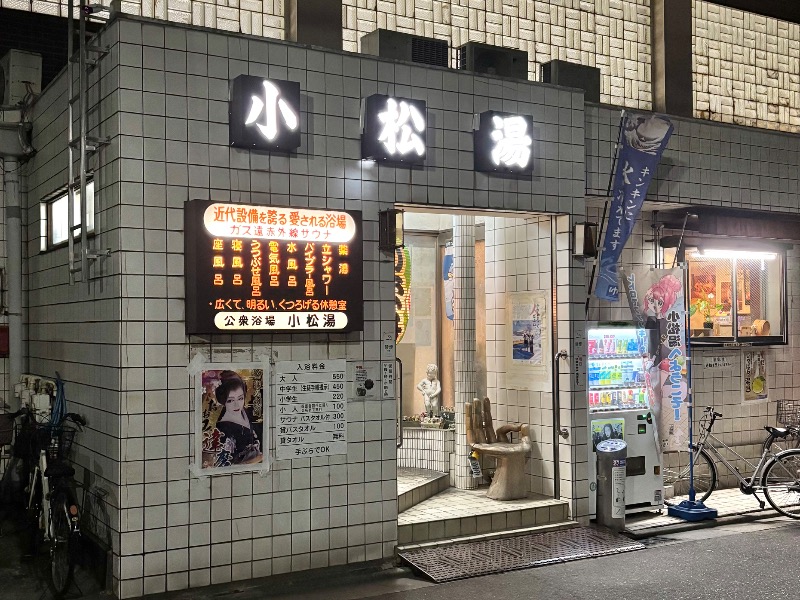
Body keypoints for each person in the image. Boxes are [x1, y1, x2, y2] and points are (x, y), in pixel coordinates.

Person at [215, 370, 262, 465]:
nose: (237, 405)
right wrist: (258, 459)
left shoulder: (246, 412)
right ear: (223, 400)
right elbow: (229, 463)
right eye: (230, 400)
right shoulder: (223, 429)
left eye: (240, 398)